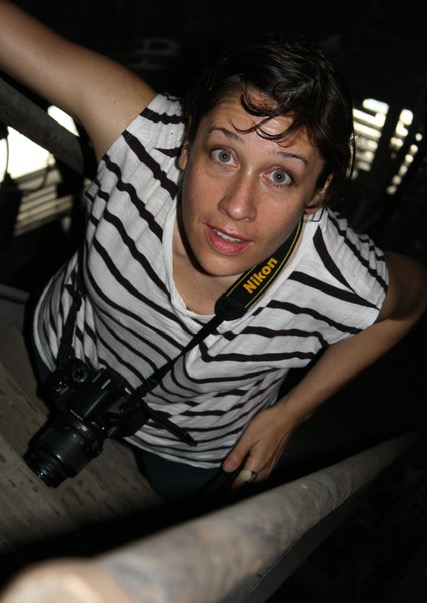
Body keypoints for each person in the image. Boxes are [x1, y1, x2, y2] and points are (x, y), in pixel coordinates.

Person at [0, 1, 426, 502]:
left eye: (281, 175)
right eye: (223, 154)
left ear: (318, 193)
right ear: (186, 142)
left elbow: (410, 304)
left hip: (196, 446)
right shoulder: (140, 141)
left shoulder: (336, 275)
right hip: (62, 359)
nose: (237, 206)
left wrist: (292, 412)